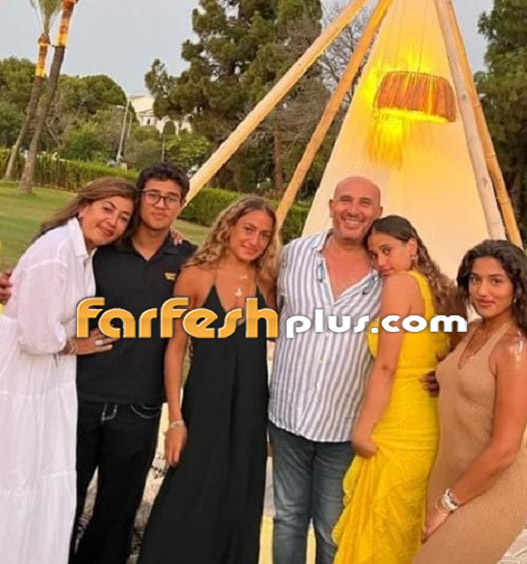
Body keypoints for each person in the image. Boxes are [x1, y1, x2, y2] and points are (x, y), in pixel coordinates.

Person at [0, 177, 137, 564]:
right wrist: (78, 344)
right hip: (22, 375)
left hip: (44, 377)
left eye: (124, 217)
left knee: (35, 476)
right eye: (107, 208)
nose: (113, 222)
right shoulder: (57, 252)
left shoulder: (83, 253)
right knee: (15, 473)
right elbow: (36, 335)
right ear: (83, 206)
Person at [138, 196, 279, 564]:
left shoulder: (267, 281)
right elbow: (175, 349)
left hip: (251, 409)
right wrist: (176, 420)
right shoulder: (196, 276)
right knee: (191, 493)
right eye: (248, 229)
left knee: (239, 498)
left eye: (264, 235)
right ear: (228, 226)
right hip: (204, 404)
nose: (254, 240)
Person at [70, 162, 195, 564]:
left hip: (139, 404)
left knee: (118, 510)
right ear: (139, 198)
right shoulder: (103, 246)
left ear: (181, 205)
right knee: (63, 498)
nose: (161, 204)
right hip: (81, 394)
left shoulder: (189, 259)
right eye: (153, 195)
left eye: (171, 198)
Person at [413, 240, 527, 564]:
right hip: (448, 477)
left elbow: (505, 448)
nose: (482, 291)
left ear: (517, 288)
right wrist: (444, 379)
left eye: (496, 281)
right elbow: (471, 382)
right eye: (475, 279)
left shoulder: (515, 349)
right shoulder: (474, 329)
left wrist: (447, 503)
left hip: (493, 490)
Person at [333, 216, 462, 564]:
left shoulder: (401, 285)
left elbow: (386, 366)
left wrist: (362, 429)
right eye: (374, 255)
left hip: (398, 424)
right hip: (429, 424)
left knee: (382, 529)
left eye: (387, 251)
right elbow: (460, 351)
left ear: (412, 246)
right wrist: (441, 372)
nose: (381, 263)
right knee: (408, 525)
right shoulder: (443, 290)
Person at [269, 176, 384, 564]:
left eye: (364, 203)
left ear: (378, 213)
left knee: (332, 529)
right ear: (331, 205)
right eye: (346, 200)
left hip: (345, 426)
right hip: (287, 416)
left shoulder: (389, 272)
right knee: (288, 519)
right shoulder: (294, 255)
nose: (353, 210)